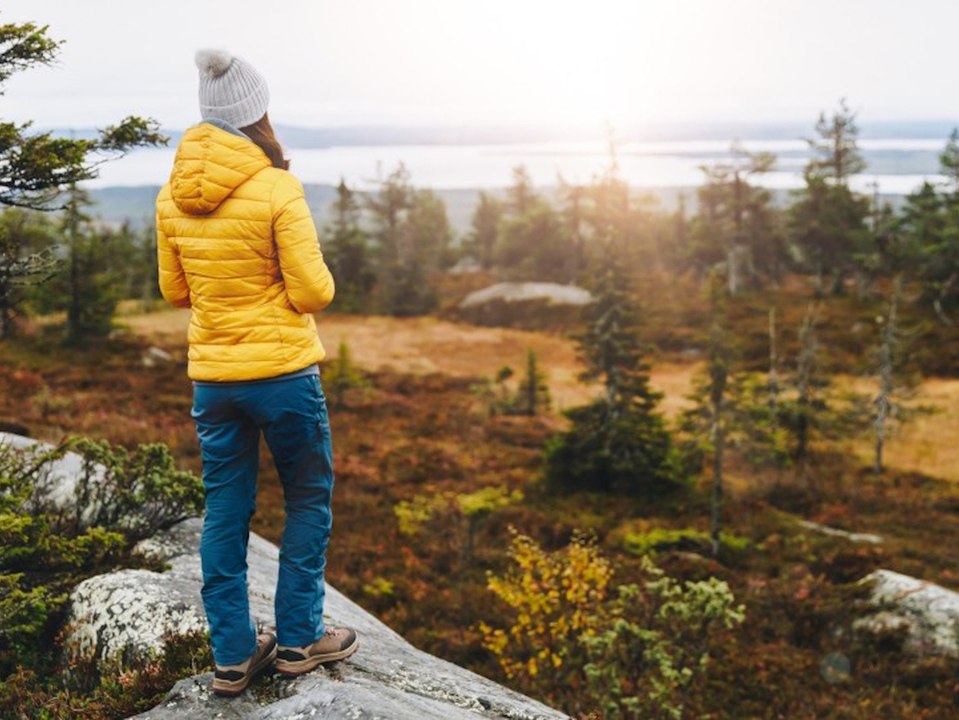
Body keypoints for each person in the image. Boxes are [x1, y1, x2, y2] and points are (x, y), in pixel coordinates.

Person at [156, 48, 357, 697]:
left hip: (214, 381)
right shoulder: (276, 186)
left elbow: (174, 291)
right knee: (305, 495)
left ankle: (234, 655)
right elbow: (313, 292)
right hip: (284, 376)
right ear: (255, 113)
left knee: (225, 510)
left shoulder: (170, 194)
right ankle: (299, 639)